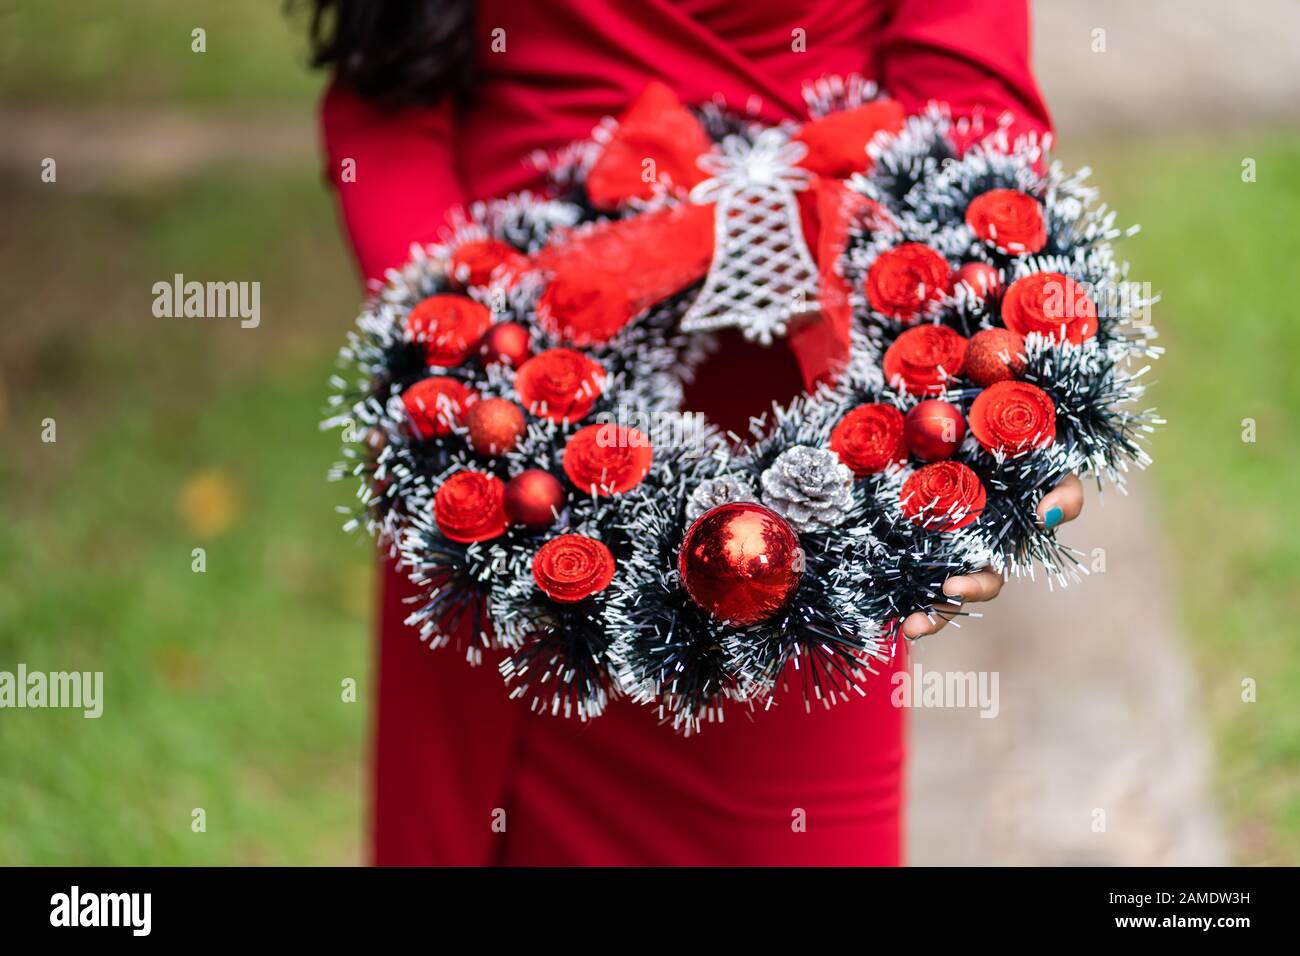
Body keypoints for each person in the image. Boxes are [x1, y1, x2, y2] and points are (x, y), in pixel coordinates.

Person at [311, 0, 1084, 865]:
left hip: (812, 457)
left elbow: (969, 100)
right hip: (520, 428)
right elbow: (387, 96)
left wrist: (989, 378)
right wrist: (445, 354)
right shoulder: (487, 408)